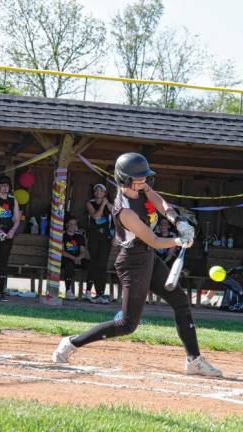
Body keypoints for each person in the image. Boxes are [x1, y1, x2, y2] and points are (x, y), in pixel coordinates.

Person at [52, 152, 222, 377]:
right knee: (127, 325)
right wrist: (179, 240)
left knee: (180, 300)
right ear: (124, 179)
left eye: (144, 177)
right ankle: (71, 343)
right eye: (138, 178)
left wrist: (177, 220)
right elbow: (152, 239)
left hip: (147, 256)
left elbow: (158, 200)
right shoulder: (124, 211)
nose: (143, 182)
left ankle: (194, 359)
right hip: (132, 262)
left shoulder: (142, 189)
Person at [85, 183, 113, 304]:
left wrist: (107, 203)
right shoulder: (90, 203)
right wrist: (102, 204)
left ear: (105, 193)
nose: (98, 192)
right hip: (94, 236)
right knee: (95, 263)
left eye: (101, 190)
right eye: (96, 190)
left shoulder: (108, 203)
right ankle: (95, 292)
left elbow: (115, 214)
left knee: (103, 264)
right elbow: (96, 217)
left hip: (105, 237)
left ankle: (101, 292)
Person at [61, 216, 88, 300]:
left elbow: (83, 251)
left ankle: (88, 292)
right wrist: (74, 258)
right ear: (67, 225)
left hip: (78, 259)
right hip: (67, 259)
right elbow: (62, 252)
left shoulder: (79, 237)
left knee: (90, 265)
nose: (73, 226)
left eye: (75, 224)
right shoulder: (63, 236)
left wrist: (79, 258)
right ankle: (68, 290)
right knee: (69, 265)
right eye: (71, 224)